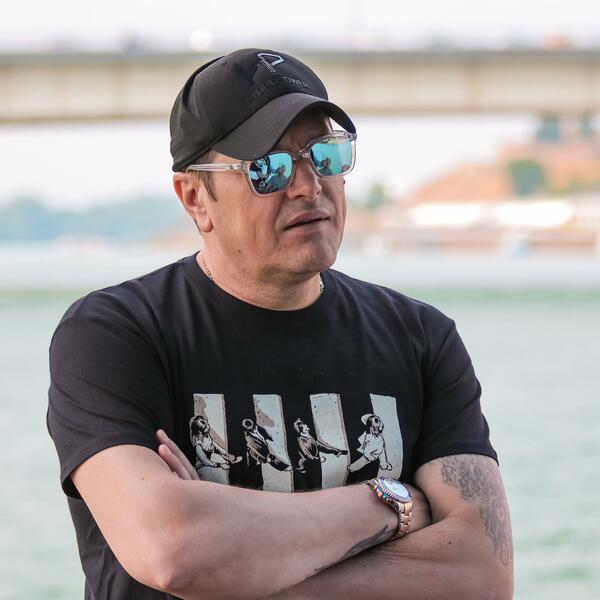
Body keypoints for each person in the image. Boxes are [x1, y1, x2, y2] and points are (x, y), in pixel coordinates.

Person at [47, 48, 513, 600]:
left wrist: (233, 566)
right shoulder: (114, 335)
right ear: (196, 198)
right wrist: (391, 505)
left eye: (326, 155)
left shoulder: (421, 338)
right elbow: (171, 549)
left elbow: (482, 574)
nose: (308, 185)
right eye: (268, 168)